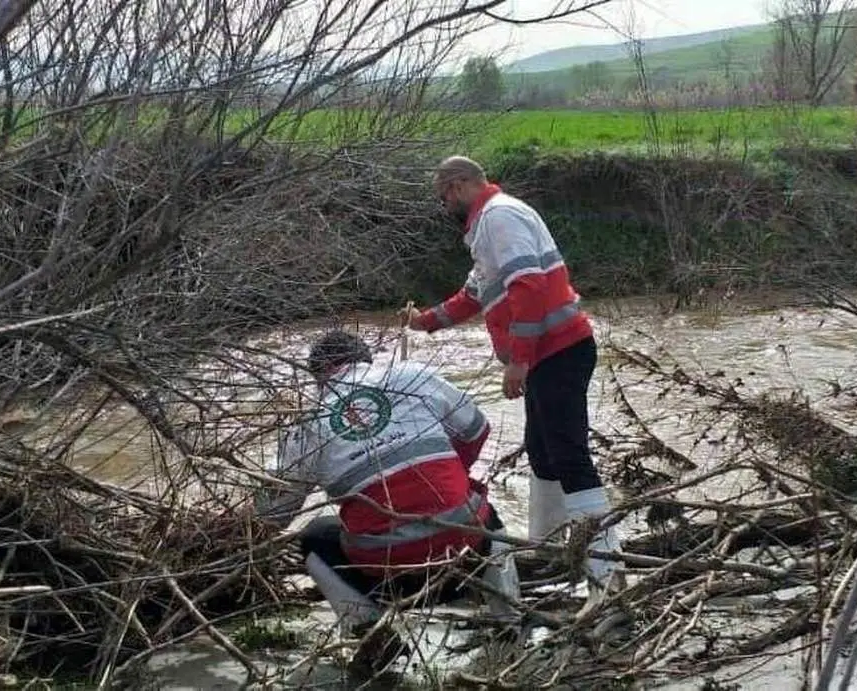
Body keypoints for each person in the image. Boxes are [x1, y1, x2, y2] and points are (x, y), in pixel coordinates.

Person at [401, 155, 623, 605]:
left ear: (459, 185)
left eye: (445, 198)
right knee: (543, 453)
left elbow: (531, 288)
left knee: (569, 455)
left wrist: (517, 361)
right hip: (549, 354)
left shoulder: (500, 218)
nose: (446, 208)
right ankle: (549, 552)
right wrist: (423, 322)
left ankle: (608, 570)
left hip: (558, 351)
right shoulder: (487, 227)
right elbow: (473, 295)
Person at [249, 330, 521, 674]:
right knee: (481, 507)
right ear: (364, 359)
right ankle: (508, 619)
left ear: (320, 374)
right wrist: (452, 472)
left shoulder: (308, 423)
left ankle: (373, 635)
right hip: (464, 558)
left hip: (386, 575)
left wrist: (236, 529)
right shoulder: (410, 375)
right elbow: (477, 428)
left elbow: (274, 511)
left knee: (315, 535)